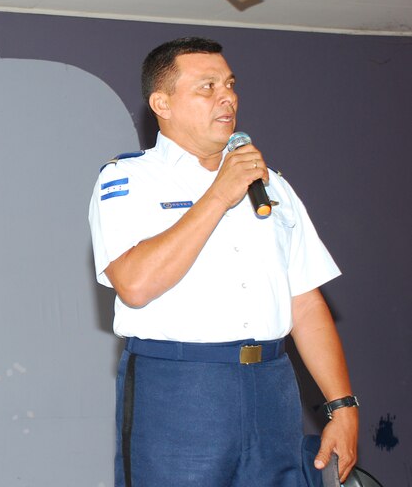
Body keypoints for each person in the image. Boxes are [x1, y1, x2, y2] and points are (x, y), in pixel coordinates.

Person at [88, 37, 358, 486]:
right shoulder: (128, 179)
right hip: (181, 388)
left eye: (229, 84)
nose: (227, 96)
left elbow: (306, 304)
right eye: (207, 86)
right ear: (162, 103)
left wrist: (342, 405)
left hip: (272, 385)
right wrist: (219, 194)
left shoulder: (272, 186)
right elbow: (134, 284)